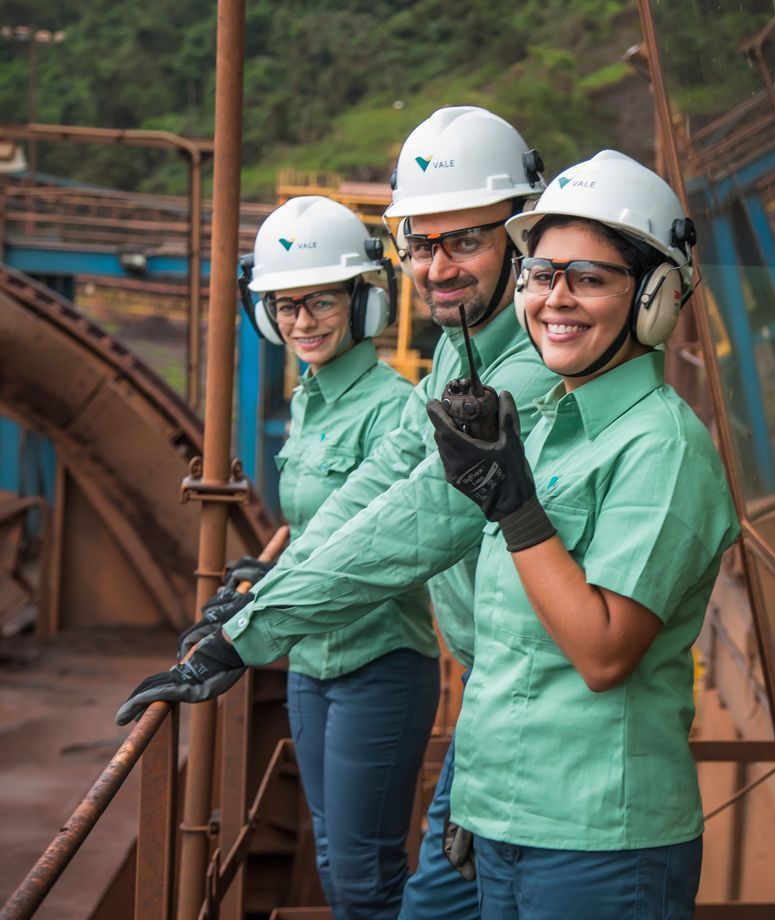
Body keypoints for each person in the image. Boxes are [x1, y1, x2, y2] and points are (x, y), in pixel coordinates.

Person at [116, 106, 561, 920]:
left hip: (543, 713)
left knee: (406, 895)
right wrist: (271, 588)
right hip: (500, 701)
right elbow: (378, 489)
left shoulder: (526, 374)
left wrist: (247, 635)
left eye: (466, 240)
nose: (439, 267)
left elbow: (422, 516)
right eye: (422, 245)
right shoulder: (459, 364)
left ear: (521, 239)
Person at [425, 150, 738, 919]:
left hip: (603, 845)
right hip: (508, 823)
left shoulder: (663, 447)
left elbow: (602, 653)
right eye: (540, 273)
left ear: (658, 296)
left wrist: (516, 508)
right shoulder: (541, 426)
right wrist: (482, 799)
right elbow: (505, 650)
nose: (553, 299)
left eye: (589, 278)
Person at [226, 197, 443, 916]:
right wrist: (270, 580)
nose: (301, 323)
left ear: (361, 303)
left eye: (320, 301)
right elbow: (317, 529)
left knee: (362, 870)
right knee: (330, 852)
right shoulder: (312, 400)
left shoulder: (395, 406)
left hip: (378, 663)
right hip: (309, 661)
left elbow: (378, 539)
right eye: (285, 307)